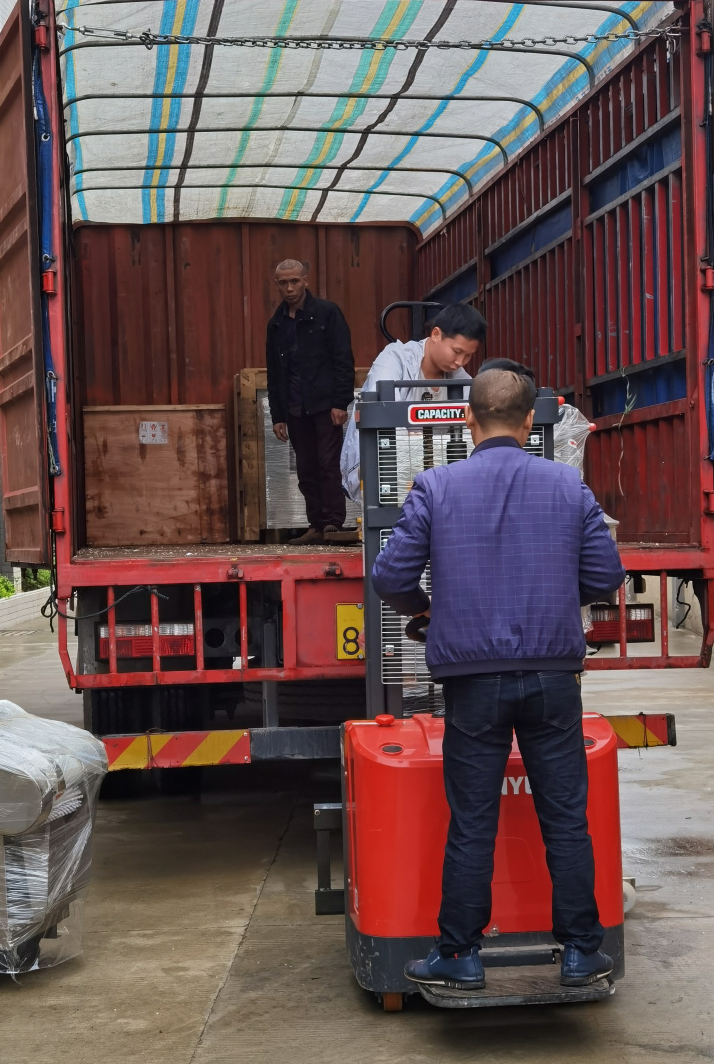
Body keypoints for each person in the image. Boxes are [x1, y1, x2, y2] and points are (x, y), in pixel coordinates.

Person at [370, 366, 626, 992]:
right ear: (530, 421)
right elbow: (605, 575)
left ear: (468, 419)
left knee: (472, 820)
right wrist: (555, 595)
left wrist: (427, 609)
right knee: (565, 818)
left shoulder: (436, 487)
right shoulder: (568, 486)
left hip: (472, 683)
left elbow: (391, 577)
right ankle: (580, 953)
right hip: (553, 678)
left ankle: (459, 955)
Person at [340, 303, 485, 501]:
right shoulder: (394, 359)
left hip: (436, 477)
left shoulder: (461, 378)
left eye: (468, 355)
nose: (460, 361)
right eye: (456, 351)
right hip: (386, 470)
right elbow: (383, 413)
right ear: (436, 334)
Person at [266, 259, 357, 545]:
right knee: (306, 468)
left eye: (294, 281)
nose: (289, 288)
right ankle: (316, 524)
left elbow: (343, 359)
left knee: (328, 463)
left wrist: (340, 402)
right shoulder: (276, 324)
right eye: (283, 283)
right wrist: (278, 415)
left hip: (325, 405)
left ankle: (333, 523)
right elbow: (274, 373)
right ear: (277, 284)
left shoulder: (327, 313)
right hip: (295, 408)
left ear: (305, 280)